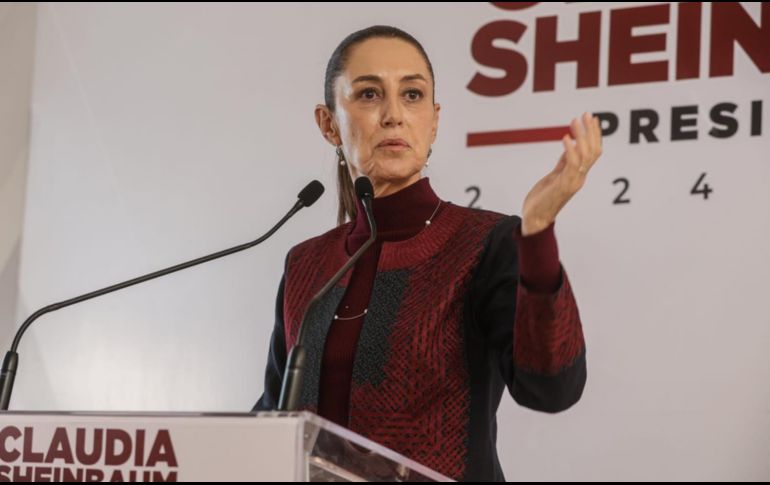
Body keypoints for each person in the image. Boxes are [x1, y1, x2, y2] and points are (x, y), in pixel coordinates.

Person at [254, 25, 602, 482]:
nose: (394, 114)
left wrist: (536, 232)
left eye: (413, 95)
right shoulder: (306, 264)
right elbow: (273, 412)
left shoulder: (485, 243)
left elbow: (552, 388)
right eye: (369, 94)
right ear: (328, 124)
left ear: (434, 120)